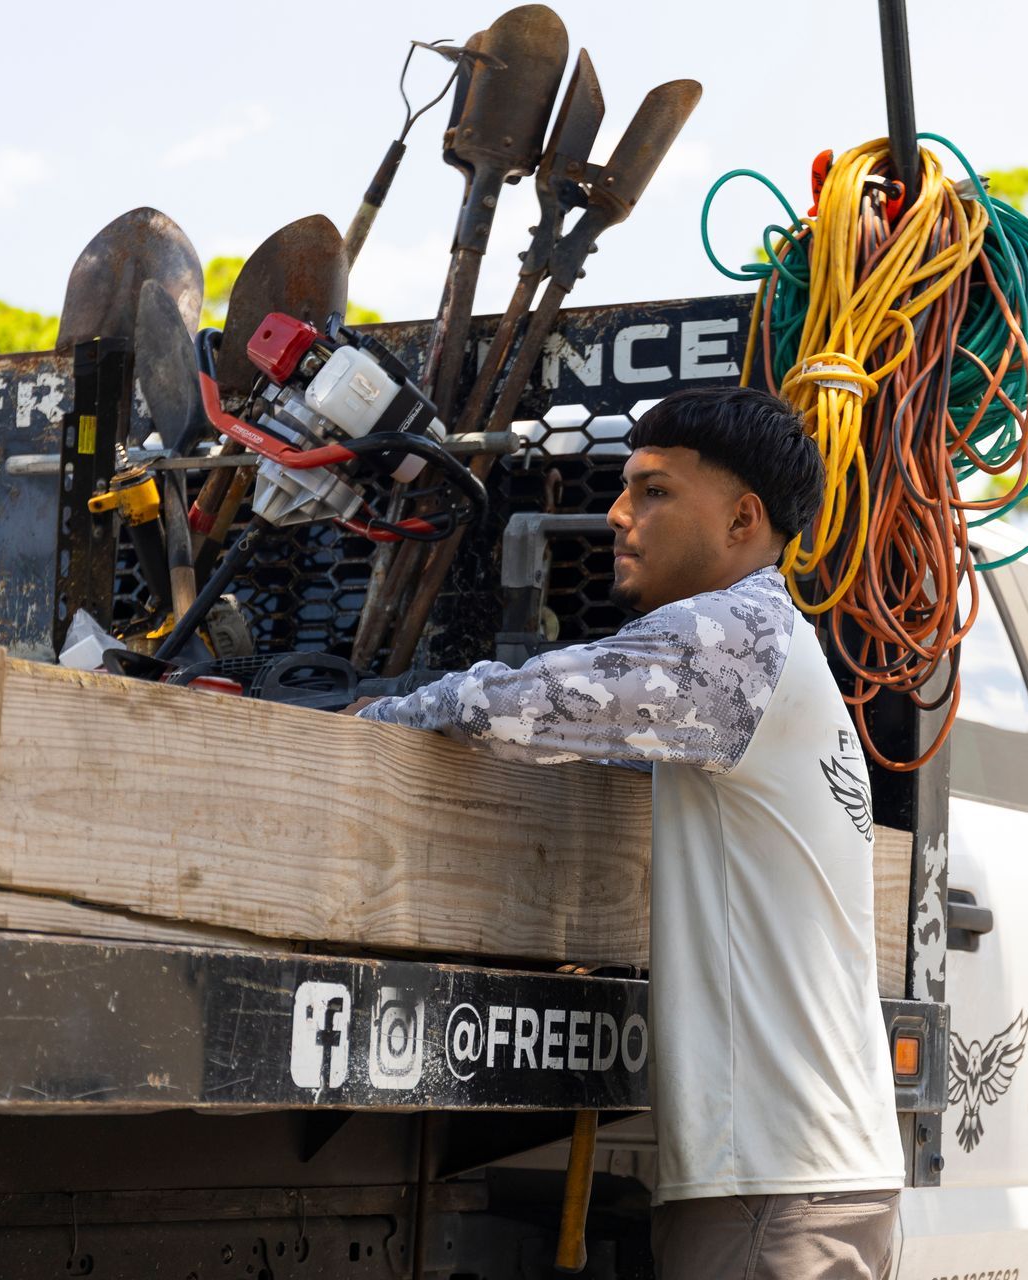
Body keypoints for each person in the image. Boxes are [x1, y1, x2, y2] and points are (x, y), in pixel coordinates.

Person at [351, 385, 905, 1278]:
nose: (617, 515)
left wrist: (372, 721)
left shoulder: (732, 638)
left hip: (771, 1190)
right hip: (820, 1170)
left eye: (653, 492)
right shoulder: (779, 652)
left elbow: (519, 707)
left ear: (741, 519)